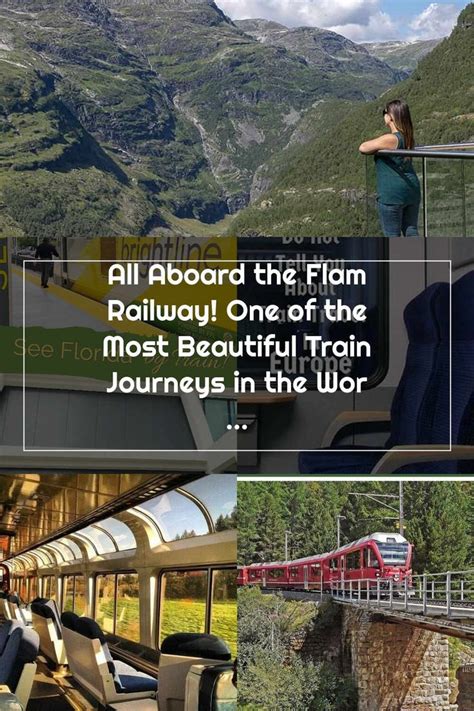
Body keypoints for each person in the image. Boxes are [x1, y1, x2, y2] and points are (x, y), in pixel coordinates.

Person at [359, 99, 421, 237]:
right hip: (412, 189)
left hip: (392, 194)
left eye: (384, 112)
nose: (384, 115)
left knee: (391, 235)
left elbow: (363, 147)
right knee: (411, 232)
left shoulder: (392, 139)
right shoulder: (408, 137)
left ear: (391, 116)